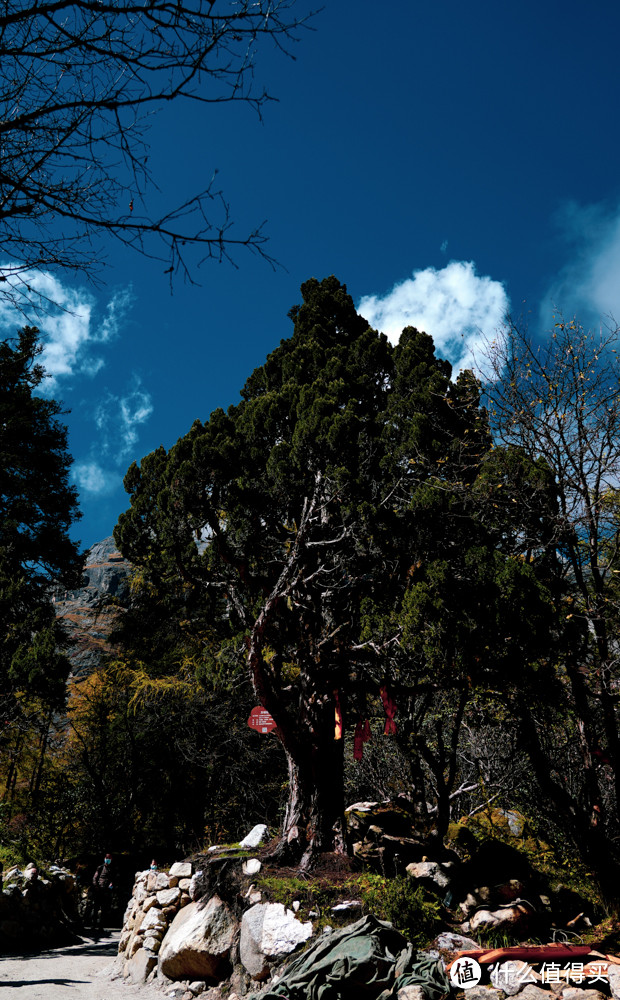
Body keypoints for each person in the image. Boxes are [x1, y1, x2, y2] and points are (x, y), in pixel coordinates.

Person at [86, 853, 114, 930]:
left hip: (106, 891)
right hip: (98, 891)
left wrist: (111, 884)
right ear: (105, 858)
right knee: (95, 908)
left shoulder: (111, 869)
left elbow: (112, 879)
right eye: (107, 858)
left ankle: (101, 926)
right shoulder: (100, 868)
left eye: (109, 858)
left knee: (104, 909)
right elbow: (94, 878)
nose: (108, 860)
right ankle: (93, 925)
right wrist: (96, 887)